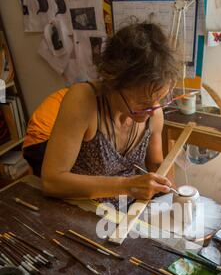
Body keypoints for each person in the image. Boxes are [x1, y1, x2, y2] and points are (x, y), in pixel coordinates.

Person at [24, 22, 181, 208]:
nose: (153, 110)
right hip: (83, 207)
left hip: (127, 209)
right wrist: (127, 186)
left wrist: (167, 185)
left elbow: (156, 163)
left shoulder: (153, 113)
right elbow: (51, 182)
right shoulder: (84, 100)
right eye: (142, 102)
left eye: (160, 100)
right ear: (113, 81)